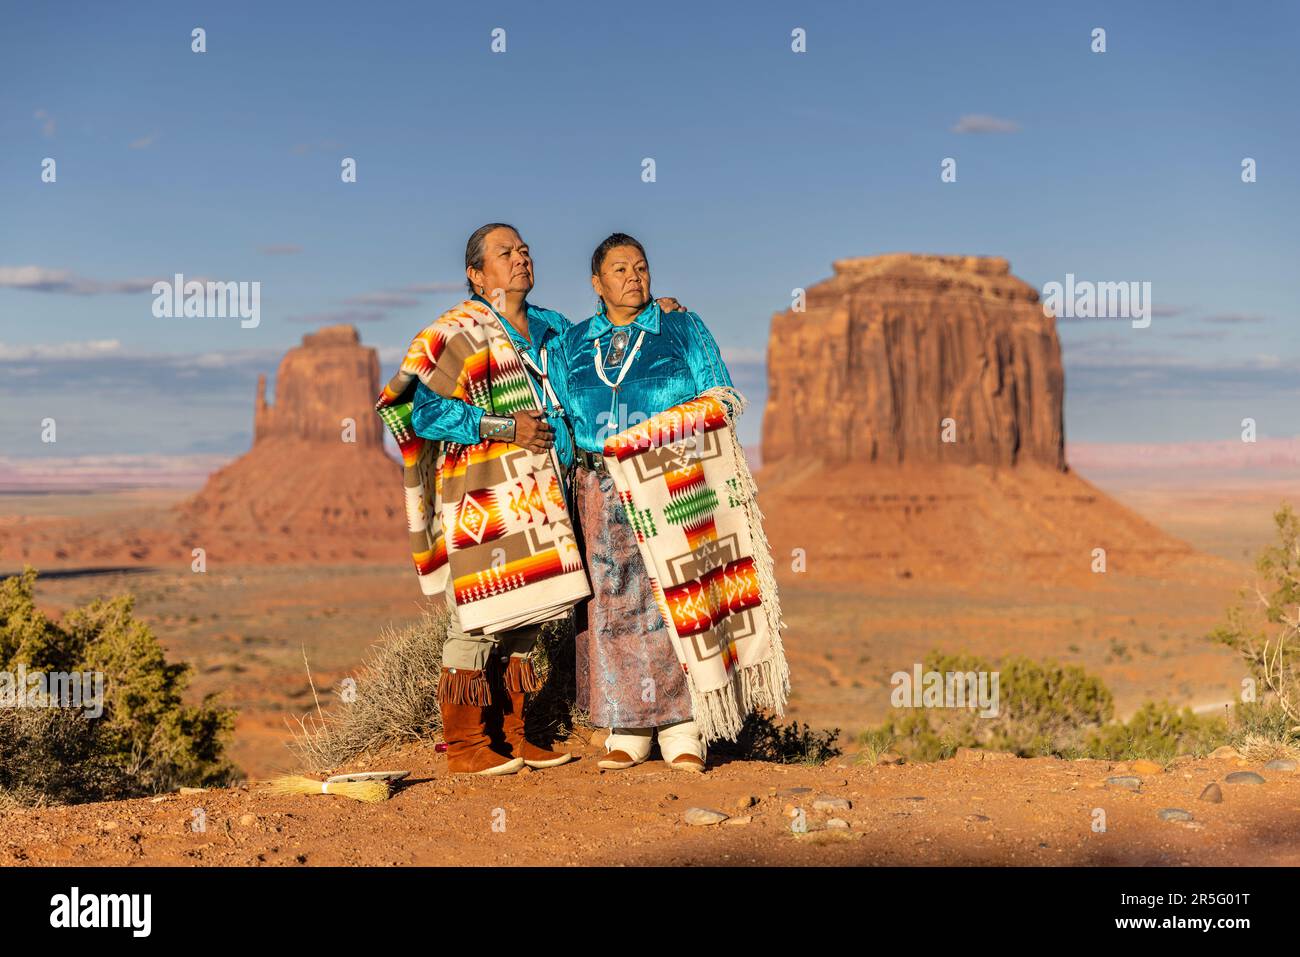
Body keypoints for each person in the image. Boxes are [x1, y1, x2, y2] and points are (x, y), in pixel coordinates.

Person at [400, 223, 683, 775]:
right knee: (478, 617)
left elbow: (610, 331)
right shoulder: (457, 331)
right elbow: (423, 413)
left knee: (532, 614)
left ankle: (515, 734)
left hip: (549, 496)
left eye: (525, 249)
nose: (521, 257)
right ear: (477, 275)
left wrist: (656, 312)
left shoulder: (555, 329)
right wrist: (503, 426)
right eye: (505, 253)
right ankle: (465, 747)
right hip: (485, 496)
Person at [550, 233, 739, 773]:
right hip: (597, 487)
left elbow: (721, 397)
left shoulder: (681, 328)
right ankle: (628, 724)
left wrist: (664, 443)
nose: (633, 277)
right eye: (619, 270)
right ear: (596, 283)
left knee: (674, 595)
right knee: (612, 600)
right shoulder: (571, 343)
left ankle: (685, 726)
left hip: (671, 480)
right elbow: (562, 417)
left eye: (641, 267)